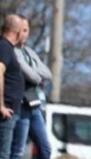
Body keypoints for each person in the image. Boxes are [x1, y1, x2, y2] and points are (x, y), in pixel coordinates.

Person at [10, 17, 52, 159]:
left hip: (34, 104)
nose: (25, 34)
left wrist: (32, 70)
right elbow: (32, 77)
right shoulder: (11, 51)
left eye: (27, 30)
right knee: (18, 150)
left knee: (45, 149)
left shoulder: (30, 52)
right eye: (22, 30)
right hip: (21, 105)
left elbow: (48, 74)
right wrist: (36, 74)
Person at [0, 16, 25, 159]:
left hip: (10, 111)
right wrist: (1, 105)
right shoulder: (4, 47)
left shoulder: (8, 48)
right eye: (23, 30)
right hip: (4, 113)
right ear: (18, 32)